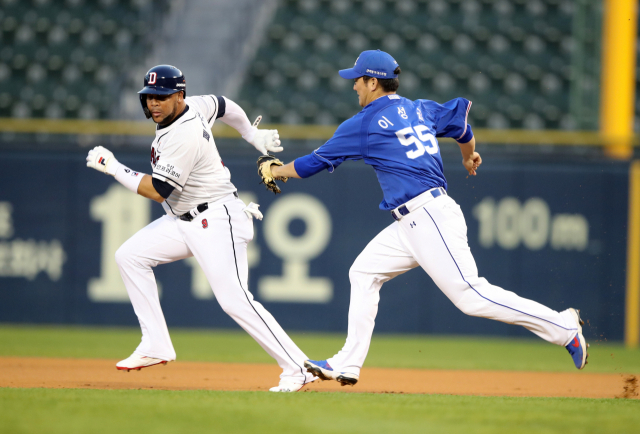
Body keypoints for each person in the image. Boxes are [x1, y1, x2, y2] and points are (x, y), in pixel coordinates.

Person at [259, 50, 589, 386]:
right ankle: (347, 363)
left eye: (358, 80)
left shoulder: (365, 123)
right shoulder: (420, 108)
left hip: (428, 216)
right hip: (412, 221)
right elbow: (463, 128)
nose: (354, 86)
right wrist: (468, 156)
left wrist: (275, 169)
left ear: (373, 82)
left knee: (470, 296)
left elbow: (313, 163)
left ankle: (562, 326)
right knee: (363, 273)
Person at [86, 65, 314, 392]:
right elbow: (224, 105)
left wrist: (114, 168)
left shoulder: (183, 133)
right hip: (185, 220)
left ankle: (298, 367)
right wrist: (250, 132)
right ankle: (156, 343)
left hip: (217, 219)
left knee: (235, 301)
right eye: (149, 97)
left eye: (162, 97)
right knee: (129, 256)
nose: (154, 103)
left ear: (179, 95)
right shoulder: (196, 105)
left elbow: (157, 190)